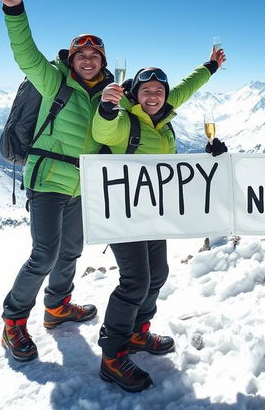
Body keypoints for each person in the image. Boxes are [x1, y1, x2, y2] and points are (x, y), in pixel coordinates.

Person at [92, 55, 227, 392]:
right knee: (135, 281)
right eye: (146, 91)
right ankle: (112, 355)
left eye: (159, 91)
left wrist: (210, 67)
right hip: (123, 215)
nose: (153, 96)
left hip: (154, 213)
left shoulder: (163, 116)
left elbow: (184, 88)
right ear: (134, 95)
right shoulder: (126, 120)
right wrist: (108, 110)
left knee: (159, 274)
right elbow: (103, 130)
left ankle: (137, 332)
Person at [0, 0, 112, 362]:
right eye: (81, 53)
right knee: (44, 254)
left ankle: (57, 306)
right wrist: (15, 10)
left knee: (72, 250)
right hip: (47, 179)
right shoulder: (53, 81)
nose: (88, 58)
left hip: (80, 184)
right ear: (72, 58)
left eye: (95, 54)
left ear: (102, 62)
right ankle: (13, 321)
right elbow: (25, 54)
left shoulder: (107, 97)